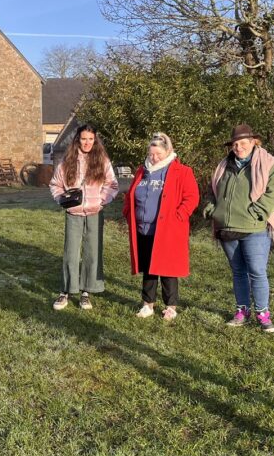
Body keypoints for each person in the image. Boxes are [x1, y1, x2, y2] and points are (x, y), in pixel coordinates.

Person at [202, 124, 274, 332]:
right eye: (235, 144)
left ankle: (263, 313)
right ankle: (242, 310)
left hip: (254, 228)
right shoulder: (224, 165)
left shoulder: (267, 164)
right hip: (227, 228)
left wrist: (258, 211)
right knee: (238, 272)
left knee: (257, 272)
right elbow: (213, 191)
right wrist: (212, 207)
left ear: (253, 142)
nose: (238, 147)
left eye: (243, 143)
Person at [122, 132, 199, 320]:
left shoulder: (182, 171)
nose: (154, 158)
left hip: (167, 229)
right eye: (151, 154)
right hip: (144, 228)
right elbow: (131, 195)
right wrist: (128, 212)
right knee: (148, 267)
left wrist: (179, 215)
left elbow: (192, 197)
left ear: (168, 151)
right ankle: (147, 304)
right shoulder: (142, 171)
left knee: (167, 268)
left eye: (158, 154)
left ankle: (170, 306)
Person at [49, 124, 119, 310]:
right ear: (77, 140)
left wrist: (100, 202)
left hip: (95, 213)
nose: (87, 142)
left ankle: (86, 292)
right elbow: (55, 184)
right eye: (83, 139)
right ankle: (66, 291)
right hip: (74, 213)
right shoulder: (68, 160)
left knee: (92, 253)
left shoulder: (102, 160)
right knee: (71, 253)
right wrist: (62, 200)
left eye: (90, 139)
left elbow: (112, 184)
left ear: (94, 140)